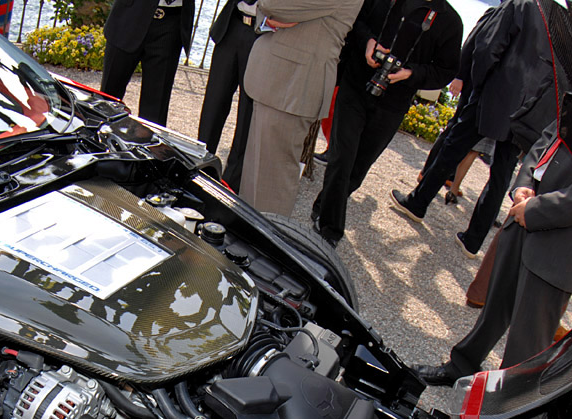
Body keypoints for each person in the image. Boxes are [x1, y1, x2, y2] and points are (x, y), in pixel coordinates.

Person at [414, 121, 572, 386]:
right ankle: (461, 366)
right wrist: (523, 185)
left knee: (528, 341)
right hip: (523, 216)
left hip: (565, 243)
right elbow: (547, 139)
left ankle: (502, 415)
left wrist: (536, 210)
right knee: (494, 308)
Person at [389, 0, 559, 257]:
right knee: (502, 173)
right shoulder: (558, 18)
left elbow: (488, 47)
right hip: (529, 108)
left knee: (453, 147)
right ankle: (473, 240)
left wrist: (477, 86)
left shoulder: (520, 4)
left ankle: (418, 202)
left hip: (495, 94)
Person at [310, 0, 462, 246]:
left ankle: (323, 204)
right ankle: (330, 231)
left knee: (357, 170)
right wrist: (368, 42)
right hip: (355, 86)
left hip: (393, 104)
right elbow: (354, 21)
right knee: (342, 157)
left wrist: (411, 73)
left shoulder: (450, 21)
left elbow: (445, 71)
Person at [237, 0, 364, 217]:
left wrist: (266, 10)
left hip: (293, 87)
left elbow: (274, 4)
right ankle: (246, 240)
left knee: (271, 187)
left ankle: (266, 245)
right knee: (255, 177)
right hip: (280, 82)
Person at [100, 0, 195, 126]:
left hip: (172, 22)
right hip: (129, 15)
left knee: (154, 117)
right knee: (106, 102)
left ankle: (146, 144)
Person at [197, 0, 259, 191]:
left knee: (248, 115)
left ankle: (230, 185)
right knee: (213, 104)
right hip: (232, 24)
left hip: (264, 35)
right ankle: (199, 168)